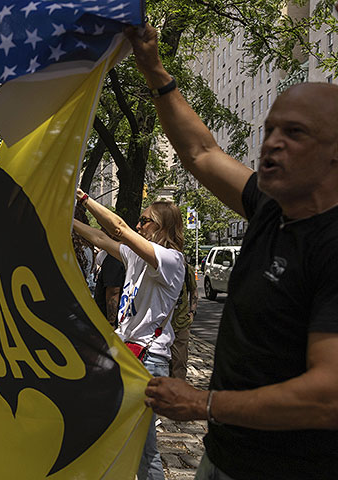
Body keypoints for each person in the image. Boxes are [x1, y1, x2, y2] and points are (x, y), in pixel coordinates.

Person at [126, 22, 338, 479]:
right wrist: (154, 69)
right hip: (225, 456)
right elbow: (200, 151)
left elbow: (328, 394)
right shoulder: (268, 205)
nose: (272, 144)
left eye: (295, 132)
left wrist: (204, 403)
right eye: (270, 129)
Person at [73, 194, 185, 480]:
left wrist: (83, 198)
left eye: (145, 221)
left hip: (148, 361)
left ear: (162, 227)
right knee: (116, 437)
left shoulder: (171, 261)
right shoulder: (136, 256)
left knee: (145, 450)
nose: (139, 224)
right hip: (128, 355)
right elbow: (100, 237)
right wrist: (63, 220)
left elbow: (119, 228)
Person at [169, 262, 198, 380]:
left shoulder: (185, 268)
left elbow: (194, 290)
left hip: (180, 324)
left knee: (179, 364)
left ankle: (175, 394)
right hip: (160, 325)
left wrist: (192, 312)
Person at [93, 245, 126, 327]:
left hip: (108, 320)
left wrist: (111, 322)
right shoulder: (118, 257)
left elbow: (113, 292)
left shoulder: (114, 259)